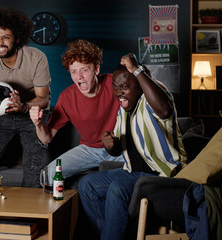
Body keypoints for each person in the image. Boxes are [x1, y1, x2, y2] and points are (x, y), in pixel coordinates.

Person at [78, 53, 187, 239]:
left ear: (139, 84)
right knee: (87, 184)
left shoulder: (153, 97)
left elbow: (165, 109)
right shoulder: (124, 109)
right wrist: (110, 146)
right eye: (115, 87)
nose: (119, 92)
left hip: (163, 175)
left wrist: (136, 69)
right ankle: (106, 235)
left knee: (117, 188)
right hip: (133, 173)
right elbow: (119, 149)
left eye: (125, 87)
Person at [0, 7, 51, 187]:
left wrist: (23, 106)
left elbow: (43, 99)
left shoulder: (37, 57)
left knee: (34, 166)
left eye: (5, 37)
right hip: (0, 116)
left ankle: (28, 211)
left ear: (17, 38)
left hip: (32, 115)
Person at [29, 39, 123, 183]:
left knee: (146, 169)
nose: (79, 77)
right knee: (47, 176)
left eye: (84, 70)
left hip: (121, 148)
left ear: (96, 69)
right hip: (89, 150)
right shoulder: (67, 98)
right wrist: (38, 123)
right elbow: (46, 138)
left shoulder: (114, 83)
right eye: (74, 71)